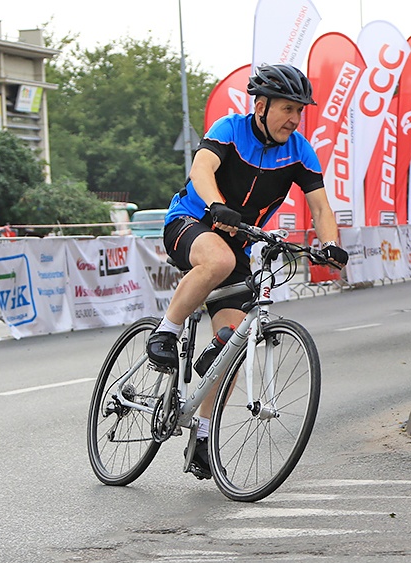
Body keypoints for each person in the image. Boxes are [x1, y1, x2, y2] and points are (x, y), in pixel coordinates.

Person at [147, 63, 349, 478]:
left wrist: (330, 244)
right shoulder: (229, 128)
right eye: (287, 109)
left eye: (300, 111)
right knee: (217, 261)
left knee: (234, 345)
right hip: (192, 221)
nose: (294, 119)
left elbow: (320, 206)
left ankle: (201, 435)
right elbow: (201, 170)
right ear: (261, 105)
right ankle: (164, 332)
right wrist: (216, 204)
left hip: (238, 239)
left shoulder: (299, 150)